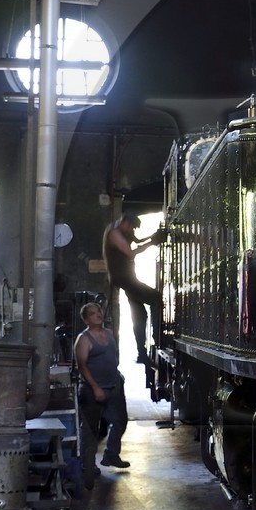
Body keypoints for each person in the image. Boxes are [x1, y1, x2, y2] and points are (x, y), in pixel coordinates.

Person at [73, 300, 130, 488]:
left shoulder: (108, 334)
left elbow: (112, 357)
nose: (98, 314)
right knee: (91, 431)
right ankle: (88, 466)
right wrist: (96, 387)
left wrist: (117, 375)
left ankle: (111, 455)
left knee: (120, 421)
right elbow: (81, 367)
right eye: (93, 313)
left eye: (99, 311)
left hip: (113, 387)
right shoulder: (84, 339)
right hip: (92, 391)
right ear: (86, 319)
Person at [102, 208, 160, 365]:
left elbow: (138, 240)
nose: (132, 231)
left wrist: (152, 237)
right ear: (125, 223)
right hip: (124, 278)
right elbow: (130, 253)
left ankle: (142, 353)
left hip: (126, 278)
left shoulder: (122, 231)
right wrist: (152, 243)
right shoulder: (114, 234)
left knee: (139, 315)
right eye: (132, 227)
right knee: (156, 298)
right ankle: (159, 337)